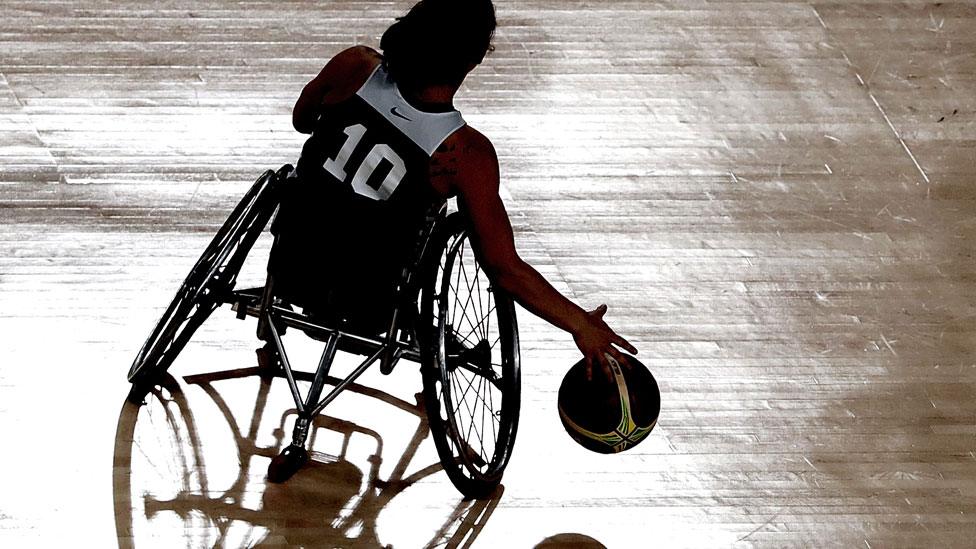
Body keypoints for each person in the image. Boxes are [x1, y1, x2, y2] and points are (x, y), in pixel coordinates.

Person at [272, 0, 636, 377]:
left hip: (292, 265)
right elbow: (504, 267)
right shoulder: (465, 152)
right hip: (368, 301)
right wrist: (580, 323)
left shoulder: (355, 65)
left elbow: (302, 120)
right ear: (474, 59)